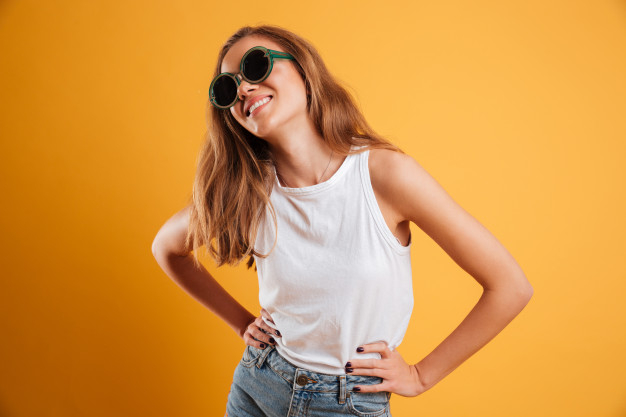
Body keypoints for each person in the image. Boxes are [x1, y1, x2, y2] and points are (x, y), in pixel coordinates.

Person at [151, 24, 533, 417]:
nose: (245, 89)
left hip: (346, 403)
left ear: (303, 70)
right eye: (228, 89)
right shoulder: (248, 190)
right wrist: (241, 322)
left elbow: (510, 286)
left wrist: (420, 376)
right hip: (259, 386)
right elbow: (166, 247)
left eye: (256, 65)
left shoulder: (385, 175)